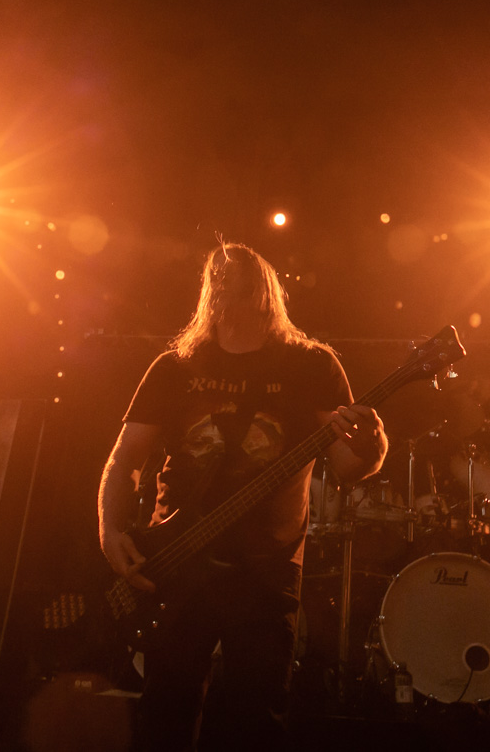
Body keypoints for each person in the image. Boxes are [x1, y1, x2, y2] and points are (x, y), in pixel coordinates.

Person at [98, 242, 388, 751]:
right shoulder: (175, 367)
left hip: (267, 569)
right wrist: (111, 532)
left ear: (267, 291)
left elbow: (348, 466)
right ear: (208, 292)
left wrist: (372, 440)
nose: (228, 280)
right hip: (177, 560)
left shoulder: (311, 365)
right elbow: (125, 460)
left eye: (244, 276)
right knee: (166, 707)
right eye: (219, 275)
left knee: (255, 716)